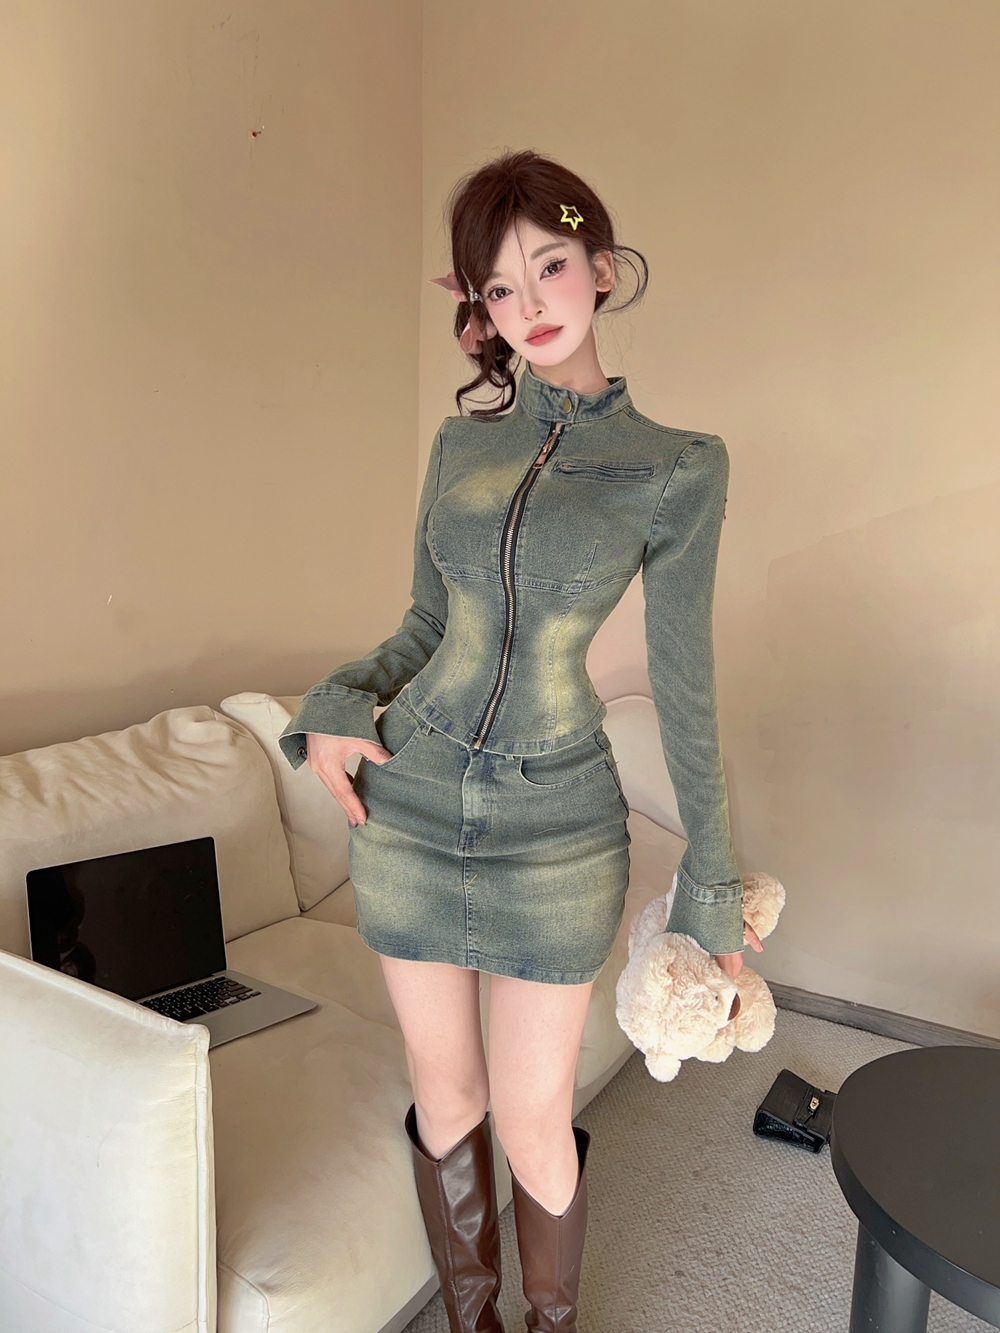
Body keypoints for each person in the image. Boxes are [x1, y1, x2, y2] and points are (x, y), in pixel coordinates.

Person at [279, 149, 763, 1333]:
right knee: (446, 1095)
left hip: (557, 828)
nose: (531, 303)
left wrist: (710, 879)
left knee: (533, 1118)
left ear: (601, 268)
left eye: (549, 266)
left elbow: (685, 687)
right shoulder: (463, 449)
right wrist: (335, 703)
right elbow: (424, 626)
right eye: (499, 286)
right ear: (479, 310)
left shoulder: (676, 467)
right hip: (409, 813)